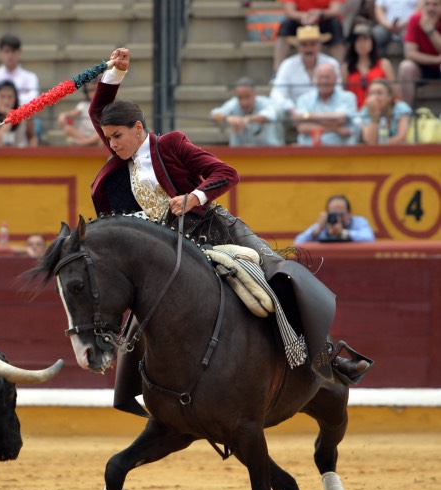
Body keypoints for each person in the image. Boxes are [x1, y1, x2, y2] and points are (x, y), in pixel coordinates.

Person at [89, 47, 370, 413]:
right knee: (138, 307)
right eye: (108, 138)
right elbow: (100, 112)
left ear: (138, 128)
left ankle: (329, 358)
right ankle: (130, 389)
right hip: (169, 243)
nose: (111, 144)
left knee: (278, 274)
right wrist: (115, 74)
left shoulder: (171, 144)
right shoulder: (120, 152)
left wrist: (194, 197)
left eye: (116, 137)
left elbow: (227, 173)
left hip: (214, 230)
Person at [270, 24, 343, 120]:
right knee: (274, 112)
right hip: (295, 112)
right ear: (298, 47)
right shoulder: (287, 65)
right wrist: (291, 109)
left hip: (327, 110)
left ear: (319, 46)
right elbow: (277, 94)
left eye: (313, 44)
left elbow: (338, 91)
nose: (309, 49)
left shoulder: (331, 63)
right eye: (304, 45)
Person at [0, 34, 41, 143]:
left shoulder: (30, 77)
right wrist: (12, 109)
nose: (10, 56)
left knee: (36, 124)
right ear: (0, 53)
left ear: (20, 52)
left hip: (22, 116)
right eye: (7, 51)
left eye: (14, 51)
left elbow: (34, 103)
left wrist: (10, 108)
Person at [293, 62, 359, 145]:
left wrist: (308, 117)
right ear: (315, 80)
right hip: (309, 152)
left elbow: (340, 119)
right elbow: (302, 128)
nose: (324, 81)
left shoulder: (348, 97)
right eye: (321, 77)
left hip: (341, 152)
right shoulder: (304, 99)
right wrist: (337, 128)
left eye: (327, 77)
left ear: (336, 79)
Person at [273, 1, 346, 71]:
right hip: (299, 20)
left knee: (336, 25)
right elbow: (289, 11)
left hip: (323, 19)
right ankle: (278, 71)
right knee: (285, 26)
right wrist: (303, 16)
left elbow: (335, 10)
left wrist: (320, 13)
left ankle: (338, 71)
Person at [210, 77, 283, 146]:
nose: (244, 103)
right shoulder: (234, 104)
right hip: (239, 154)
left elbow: (271, 115)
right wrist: (228, 118)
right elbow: (214, 114)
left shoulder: (266, 103)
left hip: (268, 154)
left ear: (255, 94)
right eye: (240, 98)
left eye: (247, 97)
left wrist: (248, 119)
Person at [397, 0, 441, 108]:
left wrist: (430, 31)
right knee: (406, 67)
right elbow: (410, 53)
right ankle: (407, 114)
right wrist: (436, 59)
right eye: (427, 4)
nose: (431, 8)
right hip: (423, 68)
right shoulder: (415, 19)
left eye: (435, 4)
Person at [343, 21, 395, 108]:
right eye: (358, 40)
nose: (361, 44)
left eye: (365, 39)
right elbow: (344, 95)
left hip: (379, 111)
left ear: (372, 42)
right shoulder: (346, 67)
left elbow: (393, 92)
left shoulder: (384, 64)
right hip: (355, 113)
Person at [0, 80, 38, 148]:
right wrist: (10, 118)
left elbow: (32, 137)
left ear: (16, 99)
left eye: (10, 97)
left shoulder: (24, 112)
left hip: (20, 155)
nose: (6, 101)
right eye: (2, 97)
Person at [295, 194, 376, 242]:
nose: (337, 218)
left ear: (349, 213)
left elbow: (369, 238)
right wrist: (317, 230)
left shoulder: (358, 222)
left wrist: (343, 233)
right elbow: (298, 242)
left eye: (340, 214)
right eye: (333, 214)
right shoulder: (322, 225)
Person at [358, 78, 412, 144]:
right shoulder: (365, 112)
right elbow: (370, 142)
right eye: (371, 93)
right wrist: (375, 116)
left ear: (390, 97)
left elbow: (401, 138)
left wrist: (380, 144)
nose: (375, 97)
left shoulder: (401, 108)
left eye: (379, 93)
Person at [56, 80, 104, 147]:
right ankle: (88, 142)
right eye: (90, 90)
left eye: (94, 90)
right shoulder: (83, 105)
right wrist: (63, 115)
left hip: (97, 134)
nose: (93, 93)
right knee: (67, 129)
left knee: (103, 131)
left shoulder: (104, 105)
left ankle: (84, 143)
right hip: (83, 135)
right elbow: (71, 114)